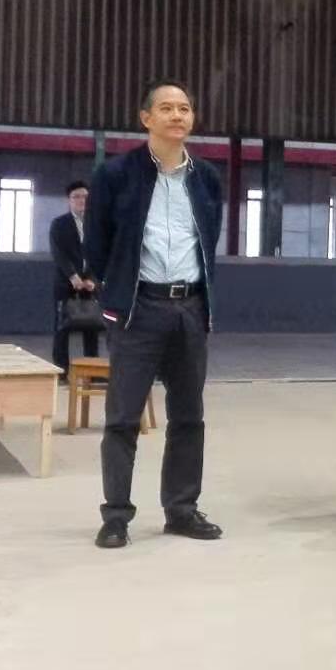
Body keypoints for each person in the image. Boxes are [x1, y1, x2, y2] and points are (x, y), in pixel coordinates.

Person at [85, 81, 224, 549]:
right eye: (166, 108)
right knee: (123, 418)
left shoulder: (206, 178)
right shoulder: (115, 175)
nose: (177, 115)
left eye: (184, 108)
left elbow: (209, 239)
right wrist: (117, 290)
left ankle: (181, 510)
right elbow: (96, 245)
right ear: (146, 118)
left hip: (190, 307)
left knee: (189, 416)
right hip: (138, 309)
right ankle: (116, 516)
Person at [49, 179, 100, 376]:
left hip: (90, 285)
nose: (81, 200)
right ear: (69, 200)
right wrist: (73, 277)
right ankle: (62, 371)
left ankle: (92, 372)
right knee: (62, 329)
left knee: (92, 328)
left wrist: (92, 280)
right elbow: (58, 254)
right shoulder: (59, 224)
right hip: (65, 284)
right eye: (76, 197)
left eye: (85, 196)